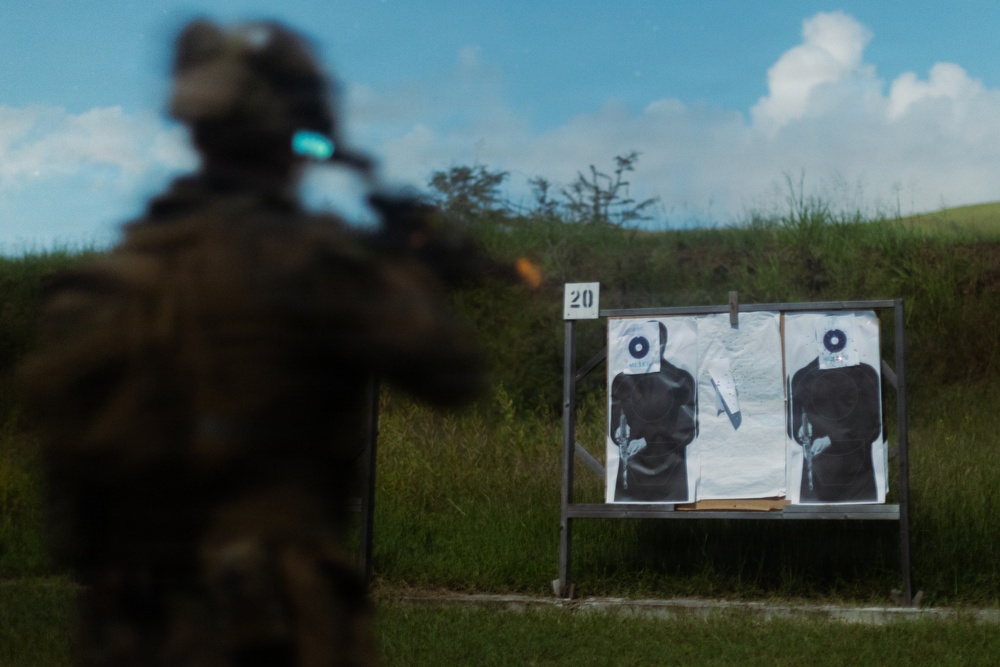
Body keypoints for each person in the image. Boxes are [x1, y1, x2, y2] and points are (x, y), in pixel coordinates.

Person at [19, 19, 498, 666]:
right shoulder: (316, 265)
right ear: (296, 127)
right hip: (276, 628)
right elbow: (453, 371)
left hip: (130, 631)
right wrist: (412, 266)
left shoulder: (100, 286)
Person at [610, 322, 697, 502]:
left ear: (662, 343)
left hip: (669, 479)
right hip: (631, 479)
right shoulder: (621, 381)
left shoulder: (681, 379)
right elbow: (615, 424)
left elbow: (686, 432)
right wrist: (618, 430)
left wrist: (647, 440)